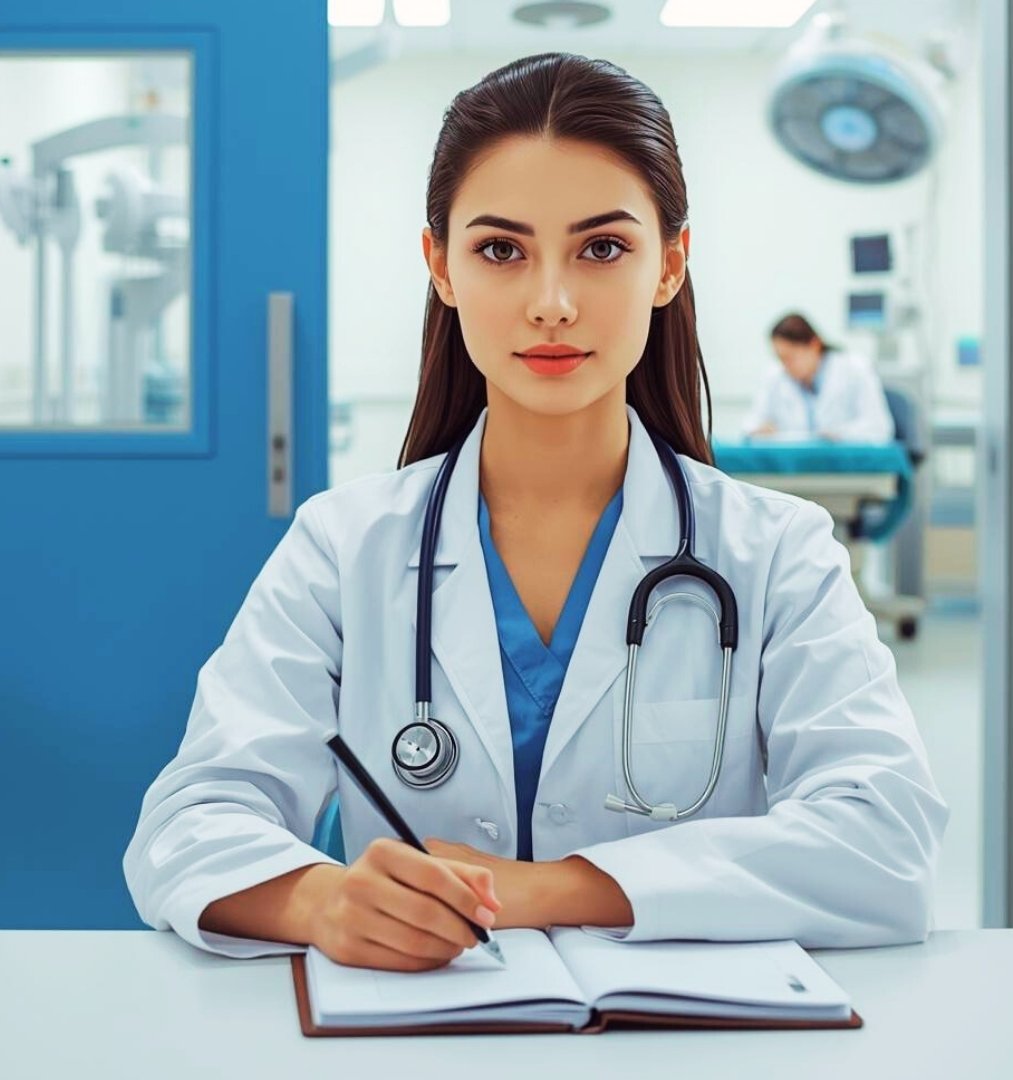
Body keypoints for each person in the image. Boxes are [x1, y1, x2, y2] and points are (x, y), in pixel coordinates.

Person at [124, 53, 947, 972]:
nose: (550, 303)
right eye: (500, 250)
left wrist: (543, 890)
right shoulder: (342, 546)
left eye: (602, 248)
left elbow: (887, 838)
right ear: (439, 266)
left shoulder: (777, 554)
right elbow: (188, 821)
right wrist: (323, 900)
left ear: (670, 265)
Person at [743, 313, 895, 443]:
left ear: (814, 345)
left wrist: (841, 433)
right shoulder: (775, 376)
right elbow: (750, 425)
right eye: (780, 358)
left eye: (790, 357)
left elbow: (879, 428)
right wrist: (761, 430)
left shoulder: (855, 369)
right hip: (791, 470)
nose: (785, 365)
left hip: (847, 468)